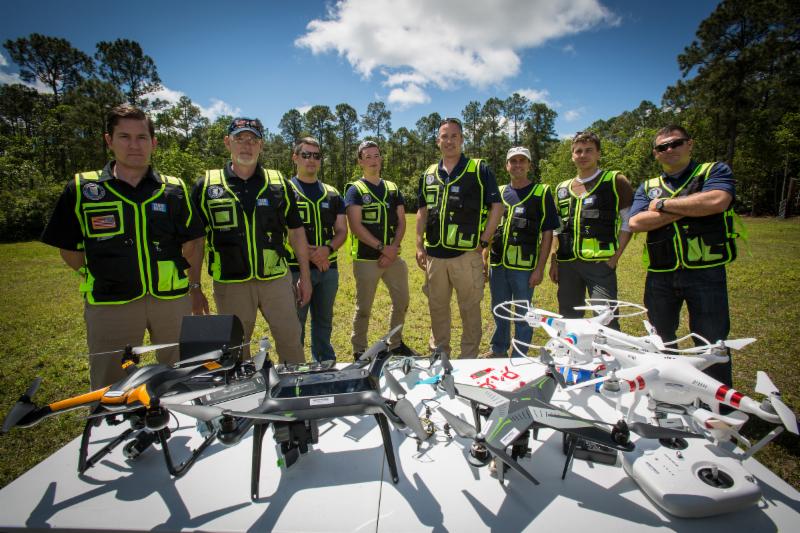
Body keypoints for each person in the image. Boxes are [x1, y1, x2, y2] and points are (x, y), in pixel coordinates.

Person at [41, 104, 206, 389]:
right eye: (124, 137)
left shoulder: (174, 189)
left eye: (141, 137)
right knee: (111, 384)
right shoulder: (83, 189)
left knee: (181, 375)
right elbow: (69, 249)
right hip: (110, 303)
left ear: (153, 143)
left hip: (170, 300)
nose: (134, 145)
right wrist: (105, 272)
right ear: (109, 140)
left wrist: (190, 285)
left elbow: (192, 242)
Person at [191, 117, 310, 364]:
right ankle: (242, 389)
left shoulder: (279, 183)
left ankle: (294, 384)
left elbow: (296, 232)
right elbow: (196, 241)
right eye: (240, 139)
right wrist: (195, 287)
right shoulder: (206, 186)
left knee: (290, 341)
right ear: (227, 142)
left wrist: (305, 277)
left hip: (276, 280)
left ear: (261, 146)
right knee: (235, 349)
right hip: (230, 284)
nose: (247, 145)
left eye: (253, 140)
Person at [629, 125, 738, 386]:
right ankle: (669, 391)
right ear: (656, 153)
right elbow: (636, 222)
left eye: (675, 143)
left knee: (711, 343)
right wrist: (691, 206)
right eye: (662, 147)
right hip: (661, 274)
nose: (669, 150)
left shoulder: (713, 171)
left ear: (689, 144)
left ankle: (717, 403)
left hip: (705, 272)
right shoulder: (649, 186)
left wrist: (663, 206)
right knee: (660, 339)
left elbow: (718, 201)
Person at [415, 118, 503, 358]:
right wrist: (419, 245)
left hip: (466, 256)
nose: (449, 141)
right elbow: (422, 211)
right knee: (437, 309)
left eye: (454, 136)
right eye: (444, 136)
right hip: (435, 257)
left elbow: (497, 207)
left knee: (469, 310)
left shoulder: (479, 169)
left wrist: (483, 242)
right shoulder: (429, 174)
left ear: (462, 139)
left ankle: (468, 360)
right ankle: (439, 355)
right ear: (438, 141)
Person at [549, 131, 633, 330]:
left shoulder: (615, 181)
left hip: (600, 264)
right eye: (578, 151)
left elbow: (628, 222)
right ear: (572, 155)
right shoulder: (562, 188)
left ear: (598, 153)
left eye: (588, 150)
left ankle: (607, 351)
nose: (583, 155)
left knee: (606, 320)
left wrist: (615, 258)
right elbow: (557, 228)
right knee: (568, 319)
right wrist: (554, 260)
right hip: (567, 265)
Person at [483, 147, 559, 357]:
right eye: (513, 161)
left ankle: (519, 354)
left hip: (524, 268)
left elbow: (548, 233)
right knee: (499, 309)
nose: (517, 165)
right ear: (506, 166)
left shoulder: (541, 192)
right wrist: (484, 258)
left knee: (523, 313)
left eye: (522, 160)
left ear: (529, 165)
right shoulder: (498, 193)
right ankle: (498, 349)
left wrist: (540, 268)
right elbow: (489, 228)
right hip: (498, 265)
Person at [345, 140, 412, 358]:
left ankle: (395, 343)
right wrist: (383, 248)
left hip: (393, 258)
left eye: (376, 156)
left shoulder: (392, 188)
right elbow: (356, 226)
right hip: (366, 258)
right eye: (368, 157)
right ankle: (359, 350)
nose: (373, 161)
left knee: (402, 301)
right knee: (364, 308)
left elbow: (402, 221)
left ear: (381, 159)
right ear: (360, 162)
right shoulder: (355, 190)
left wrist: (393, 249)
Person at [286, 137, 347, 362]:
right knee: (295, 322)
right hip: (295, 269)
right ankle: (295, 366)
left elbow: (342, 230)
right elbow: (281, 231)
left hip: (327, 268)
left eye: (316, 155)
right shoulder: (283, 190)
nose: (311, 160)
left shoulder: (332, 193)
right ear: (295, 158)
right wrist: (311, 254)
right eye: (306, 155)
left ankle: (324, 364)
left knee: (324, 321)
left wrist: (327, 249)